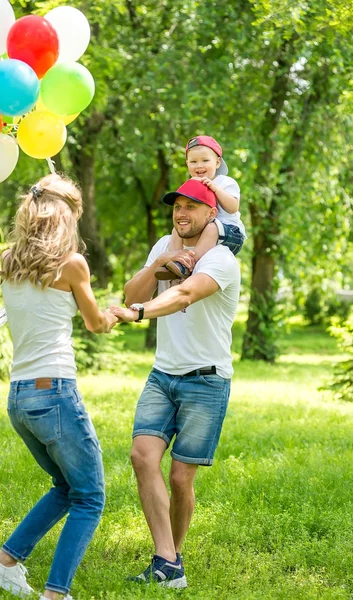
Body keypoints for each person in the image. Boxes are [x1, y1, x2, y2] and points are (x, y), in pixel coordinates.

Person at [0, 174, 117, 600]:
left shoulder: (8, 261)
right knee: (90, 496)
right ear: (65, 216)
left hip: (20, 396)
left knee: (65, 486)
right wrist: (115, 313)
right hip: (54, 391)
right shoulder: (72, 264)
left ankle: (3, 563)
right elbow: (95, 324)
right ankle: (56, 594)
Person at [110, 178, 240, 589]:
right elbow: (131, 291)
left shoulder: (221, 259)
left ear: (211, 214)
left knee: (182, 479)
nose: (182, 213)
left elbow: (184, 294)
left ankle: (173, 559)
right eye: (177, 207)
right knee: (142, 456)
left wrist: (139, 314)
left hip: (206, 380)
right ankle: (166, 561)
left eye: (192, 206)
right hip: (162, 375)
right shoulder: (163, 247)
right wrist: (158, 263)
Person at [155, 135, 246, 280]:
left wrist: (216, 190)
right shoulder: (192, 184)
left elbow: (233, 208)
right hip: (205, 232)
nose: (199, 166)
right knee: (177, 229)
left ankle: (188, 263)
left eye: (205, 160)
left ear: (217, 163)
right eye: (193, 161)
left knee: (212, 228)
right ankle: (176, 260)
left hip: (231, 233)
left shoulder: (224, 182)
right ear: (187, 164)